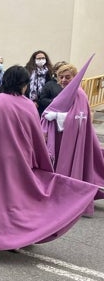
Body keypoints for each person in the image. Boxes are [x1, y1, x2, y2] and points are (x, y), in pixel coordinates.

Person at [0, 65, 100, 251]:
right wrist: (42, 161)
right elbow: (37, 136)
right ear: (23, 84)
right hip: (21, 162)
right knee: (14, 202)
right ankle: (13, 238)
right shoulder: (28, 105)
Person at [41, 59, 104, 215]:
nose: (63, 80)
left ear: (75, 77)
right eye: (60, 77)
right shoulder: (67, 92)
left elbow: (79, 118)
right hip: (64, 137)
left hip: (73, 139)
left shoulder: (78, 93)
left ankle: (70, 199)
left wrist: (57, 116)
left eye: (67, 77)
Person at [25, 50, 54, 115]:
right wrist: (33, 101)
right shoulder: (27, 70)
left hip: (44, 102)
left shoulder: (50, 71)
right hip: (30, 102)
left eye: (43, 58)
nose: (41, 60)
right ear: (34, 60)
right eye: (39, 58)